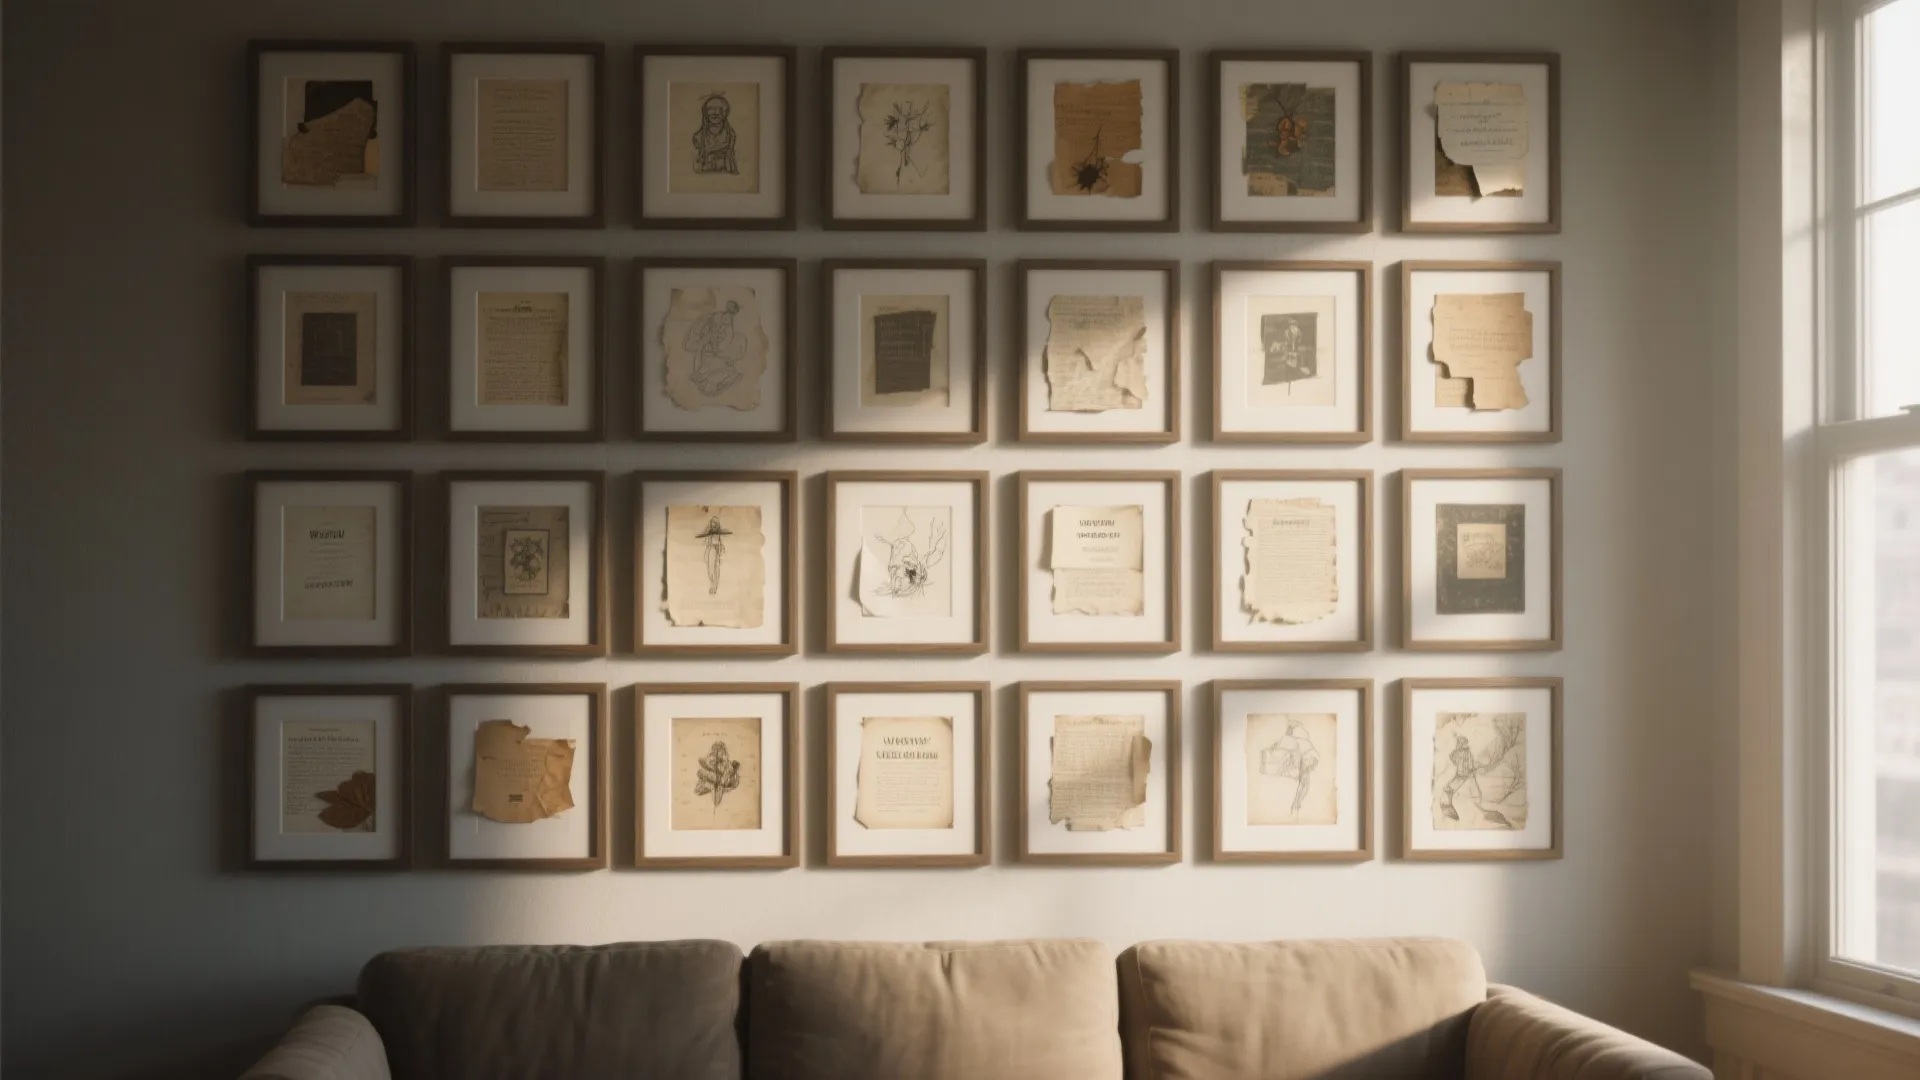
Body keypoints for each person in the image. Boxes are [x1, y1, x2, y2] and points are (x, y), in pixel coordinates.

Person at [691, 92, 738, 175]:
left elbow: (731, 163)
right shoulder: (698, 137)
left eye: (720, 110)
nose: (715, 113)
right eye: (711, 110)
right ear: (706, 113)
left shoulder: (731, 135)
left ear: (724, 113)